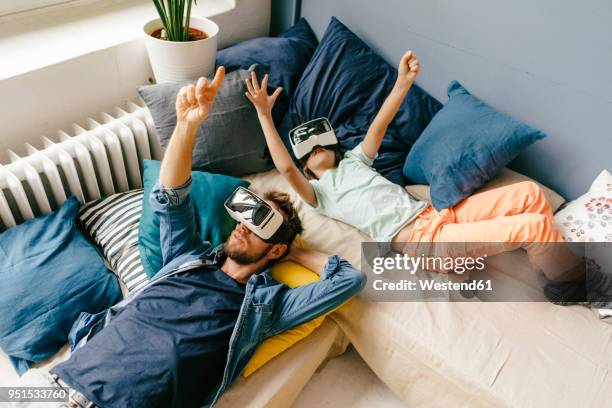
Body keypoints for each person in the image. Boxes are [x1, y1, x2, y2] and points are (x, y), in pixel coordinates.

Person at [13, 66, 365, 408]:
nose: (242, 225)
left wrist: (292, 254)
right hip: (51, 387)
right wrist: (186, 125)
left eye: (260, 224)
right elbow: (171, 197)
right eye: (244, 216)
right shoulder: (186, 255)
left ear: (275, 248)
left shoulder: (265, 309)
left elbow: (349, 278)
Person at [245, 50, 587, 296]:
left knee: (528, 193)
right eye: (309, 152)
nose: (316, 148)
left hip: (439, 215)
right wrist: (264, 114)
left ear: (336, 148)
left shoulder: (354, 161)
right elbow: (284, 167)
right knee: (534, 225)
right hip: (424, 242)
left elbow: (379, 126)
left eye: (322, 143)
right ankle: (573, 282)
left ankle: (548, 266)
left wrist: (402, 82)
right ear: (307, 169)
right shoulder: (320, 195)